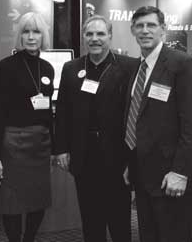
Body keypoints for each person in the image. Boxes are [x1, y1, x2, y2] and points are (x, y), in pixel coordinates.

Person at [54, 15, 139, 242]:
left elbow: (136, 113)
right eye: (89, 34)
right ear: (83, 37)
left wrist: (133, 157)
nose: (95, 39)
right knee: (91, 220)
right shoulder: (71, 68)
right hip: (84, 154)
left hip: (117, 154)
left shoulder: (129, 66)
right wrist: (61, 148)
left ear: (110, 36)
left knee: (120, 219)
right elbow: (62, 111)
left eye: (100, 34)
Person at [124, 6, 192, 242]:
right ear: (132, 30)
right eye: (139, 26)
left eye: (151, 25)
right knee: (149, 236)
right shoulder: (137, 68)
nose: (145, 30)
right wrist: (132, 161)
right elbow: (138, 119)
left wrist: (180, 171)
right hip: (143, 175)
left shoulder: (181, 64)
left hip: (171, 176)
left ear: (163, 29)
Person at [0, 12, 54, 242]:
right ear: (20, 36)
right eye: (26, 31)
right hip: (13, 143)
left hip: (40, 145)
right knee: (11, 202)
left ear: (43, 35)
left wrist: (54, 147)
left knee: (38, 199)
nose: (31, 37)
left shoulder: (47, 68)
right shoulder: (5, 66)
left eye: (36, 31)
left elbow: (47, 113)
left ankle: (29, 239)